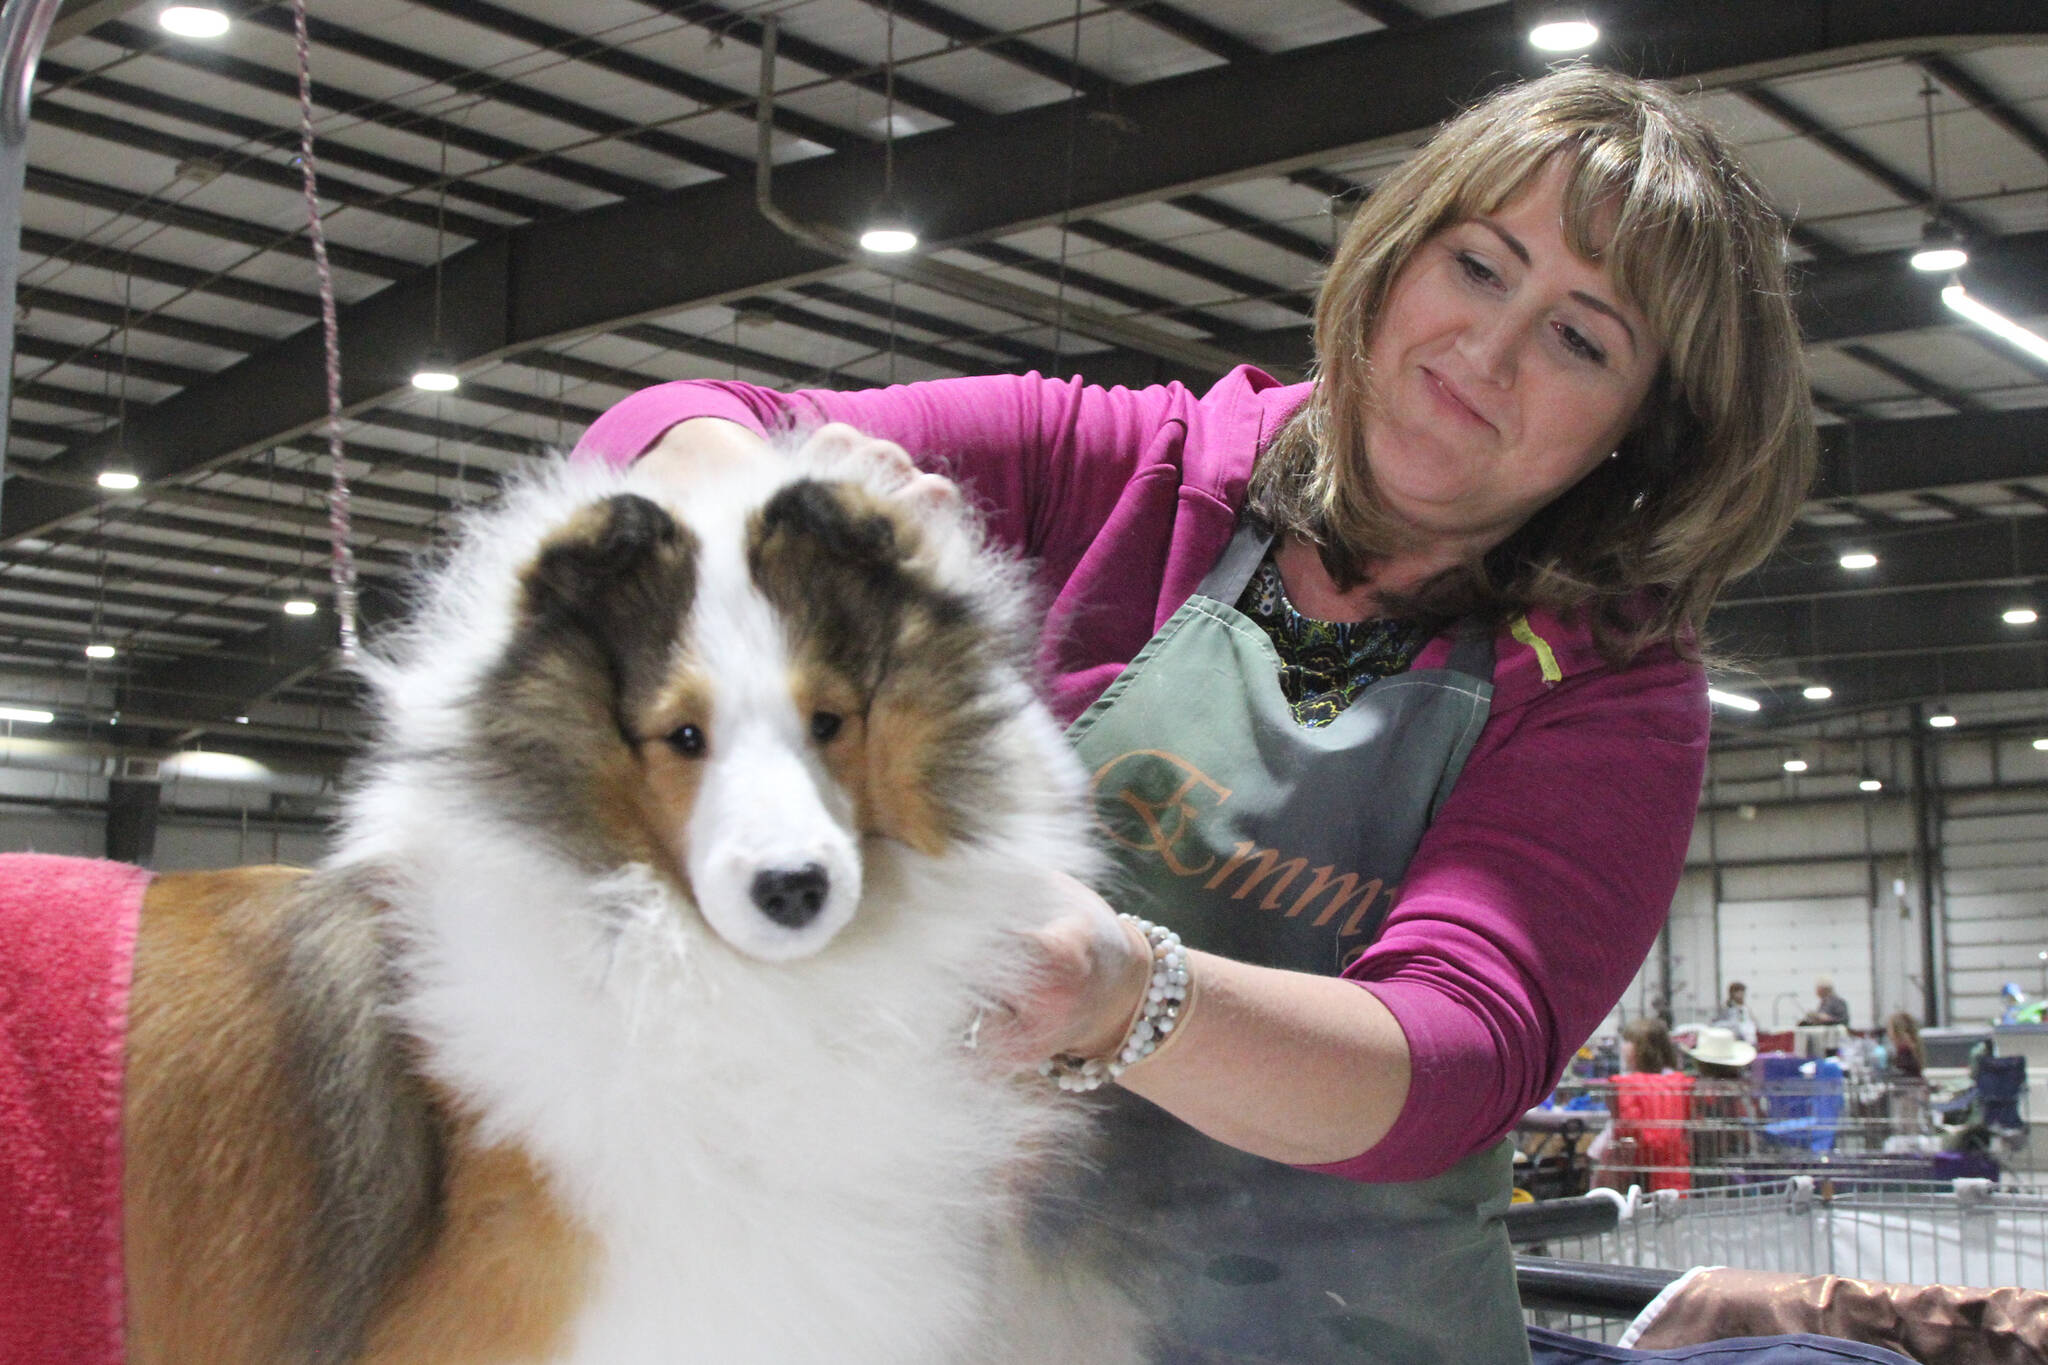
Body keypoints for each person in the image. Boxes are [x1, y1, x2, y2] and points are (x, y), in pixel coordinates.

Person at [573, 66, 1813, 1365]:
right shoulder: (1131, 468)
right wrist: (777, 499)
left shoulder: (1611, 686)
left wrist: (1125, 995)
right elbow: (658, 428)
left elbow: (1452, 1050)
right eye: (1481, 265)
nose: (1487, 353)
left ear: (1642, 433)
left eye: (1581, 340)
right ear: (1399, 257)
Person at [1590, 1017, 1696, 1192]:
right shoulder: (1678, 1082)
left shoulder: (1627, 1084)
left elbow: (1621, 1126)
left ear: (1641, 1048)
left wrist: (1594, 1153)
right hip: (1672, 1164)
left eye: (1628, 1042)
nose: (1623, 1047)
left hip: (1632, 1164)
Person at [1713, 980, 1758, 1044]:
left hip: (1748, 1040)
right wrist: (1734, 1026)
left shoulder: (1745, 1008)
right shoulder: (1727, 1008)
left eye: (1743, 992)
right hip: (1733, 1040)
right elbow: (1716, 1024)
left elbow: (1751, 1022)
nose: (1741, 995)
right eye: (1738, 992)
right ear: (1732, 993)